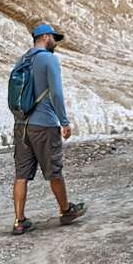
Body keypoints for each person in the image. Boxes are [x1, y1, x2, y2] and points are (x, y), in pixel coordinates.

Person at [11, 22, 86, 235]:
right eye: (54, 37)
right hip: (44, 124)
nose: (55, 42)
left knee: (21, 174)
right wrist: (64, 121)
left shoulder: (22, 59)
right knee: (54, 170)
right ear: (45, 37)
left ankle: (19, 220)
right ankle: (66, 211)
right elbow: (56, 94)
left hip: (21, 125)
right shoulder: (49, 59)